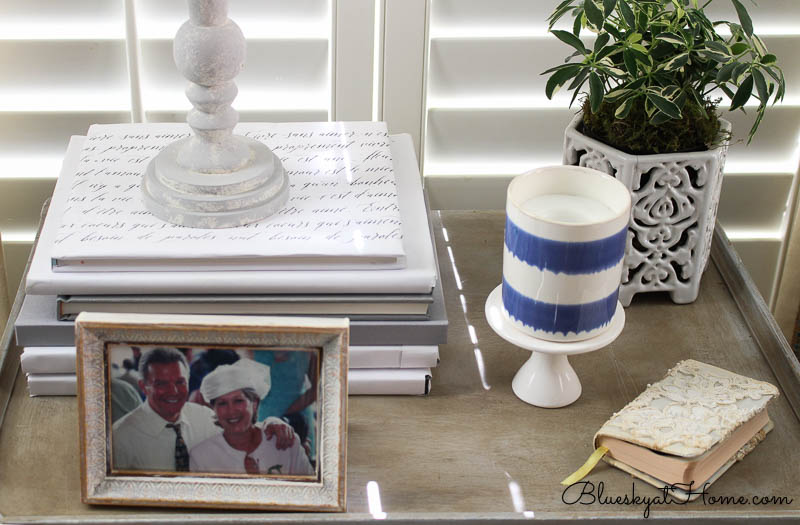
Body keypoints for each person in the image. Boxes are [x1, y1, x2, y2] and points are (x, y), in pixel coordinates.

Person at [112, 347, 294, 472]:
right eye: (161, 384)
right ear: (143, 387)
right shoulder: (121, 437)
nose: (173, 391)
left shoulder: (204, 416)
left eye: (180, 382)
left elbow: (242, 428)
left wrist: (273, 423)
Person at [190, 359, 315, 476]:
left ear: (255, 403)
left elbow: (309, 493)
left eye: (238, 401)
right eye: (222, 403)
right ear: (214, 410)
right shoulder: (201, 457)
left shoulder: (285, 441)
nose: (231, 410)